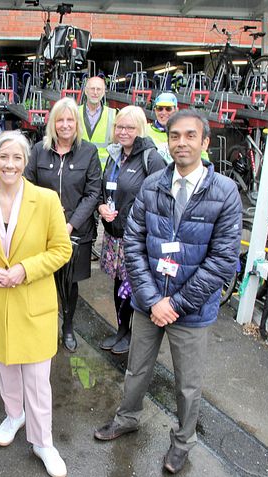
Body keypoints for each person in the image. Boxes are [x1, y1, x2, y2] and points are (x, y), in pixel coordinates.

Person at [93, 109, 242, 475]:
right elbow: (134, 241)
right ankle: (127, 418)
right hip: (148, 304)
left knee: (188, 386)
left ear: (205, 142)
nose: (182, 143)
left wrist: (173, 304)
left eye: (191, 136)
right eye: (175, 136)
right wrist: (150, 298)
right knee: (136, 370)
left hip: (189, 312)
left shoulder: (224, 193)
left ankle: (182, 443)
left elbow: (222, 260)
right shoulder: (154, 183)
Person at [0, 131, 72, 477]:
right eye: (3, 157)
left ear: (25, 162)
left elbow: (62, 249)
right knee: (6, 368)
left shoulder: (45, 199)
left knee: (39, 379)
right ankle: (14, 415)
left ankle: (43, 442)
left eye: (16, 158)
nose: (9, 164)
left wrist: (25, 270)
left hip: (33, 302)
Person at [24, 97, 101, 352]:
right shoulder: (38, 150)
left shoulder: (88, 152)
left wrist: (69, 226)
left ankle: (67, 327)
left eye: (70, 120)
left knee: (69, 283)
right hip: (41, 231)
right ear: (52, 123)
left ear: (77, 123)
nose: (65, 125)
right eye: (60, 120)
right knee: (40, 280)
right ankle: (41, 326)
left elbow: (93, 193)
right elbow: (28, 187)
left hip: (75, 232)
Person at [97, 106, 166, 355]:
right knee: (118, 286)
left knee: (133, 287)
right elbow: (106, 189)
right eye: (119, 127)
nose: (123, 132)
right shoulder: (116, 154)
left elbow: (161, 200)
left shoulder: (150, 157)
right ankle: (121, 330)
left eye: (129, 127)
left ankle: (133, 335)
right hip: (115, 235)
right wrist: (102, 205)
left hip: (136, 238)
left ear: (140, 129)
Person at [147, 92, 209, 163]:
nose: (163, 113)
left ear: (176, 110)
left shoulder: (185, 131)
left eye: (168, 109)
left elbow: (202, 154)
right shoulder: (145, 130)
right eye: (159, 108)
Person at [78, 76, 116, 170]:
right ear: (86, 91)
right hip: (78, 168)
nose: (95, 92)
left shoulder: (113, 114)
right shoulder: (74, 112)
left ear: (103, 92)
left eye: (98, 89)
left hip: (102, 170)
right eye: (92, 89)